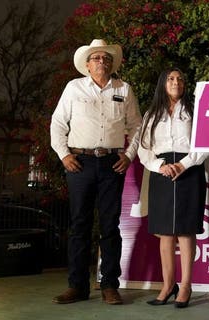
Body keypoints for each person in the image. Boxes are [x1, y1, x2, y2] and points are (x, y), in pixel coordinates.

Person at [50, 39, 142, 305]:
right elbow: (57, 123)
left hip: (112, 163)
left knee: (110, 225)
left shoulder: (124, 89)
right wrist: (64, 154)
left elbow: (136, 126)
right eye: (97, 58)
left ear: (112, 64)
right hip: (79, 162)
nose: (102, 62)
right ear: (87, 64)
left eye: (106, 58)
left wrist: (128, 154)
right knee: (79, 225)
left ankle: (109, 285)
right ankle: (76, 287)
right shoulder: (73, 88)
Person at [137, 67, 208, 309]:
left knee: (186, 231)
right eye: (170, 78)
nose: (176, 81)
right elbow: (143, 148)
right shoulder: (151, 114)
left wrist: (183, 164)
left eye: (179, 78)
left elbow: (205, 142)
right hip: (162, 173)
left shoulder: (195, 110)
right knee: (165, 232)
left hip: (189, 171)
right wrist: (160, 166)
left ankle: (186, 286)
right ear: (162, 83)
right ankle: (168, 285)